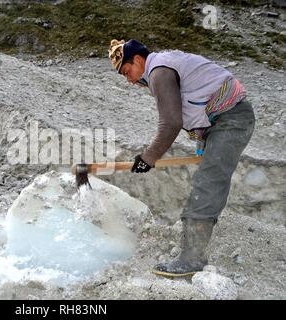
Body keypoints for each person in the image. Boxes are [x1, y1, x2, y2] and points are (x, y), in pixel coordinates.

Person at [108, 39, 255, 277]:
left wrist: (149, 157)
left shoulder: (158, 72)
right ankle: (193, 248)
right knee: (207, 179)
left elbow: (171, 123)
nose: (130, 80)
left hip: (232, 120)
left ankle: (192, 258)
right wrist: (201, 145)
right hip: (223, 120)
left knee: (207, 183)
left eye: (128, 72)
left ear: (137, 60)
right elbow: (198, 99)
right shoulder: (164, 66)